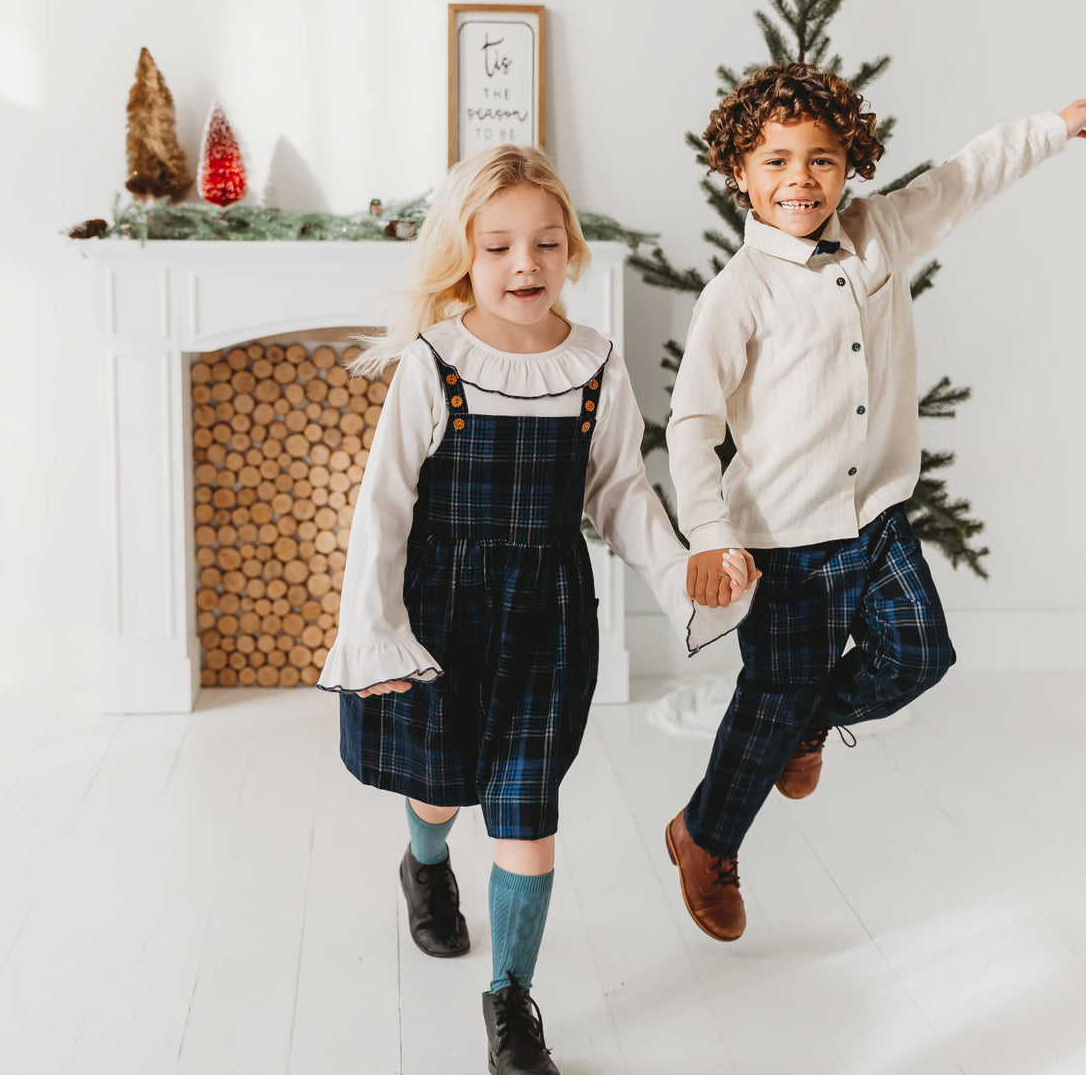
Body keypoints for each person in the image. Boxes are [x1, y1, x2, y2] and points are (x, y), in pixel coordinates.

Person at [317, 145, 759, 1074]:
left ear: (571, 254)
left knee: (525, 808)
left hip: (549, 619)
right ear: (463, 256)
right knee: (439, 789)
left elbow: (621, 495)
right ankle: (426, 866)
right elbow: (384, 507)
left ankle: (510, 1000)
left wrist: (683, 575)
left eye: (547, 244)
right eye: (500, 246)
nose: (526, 265)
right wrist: (378, 630)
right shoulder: (434, 363)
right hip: (439, 611)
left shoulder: (594, 364)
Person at [663, 61, 1086, 941]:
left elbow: (963, 177)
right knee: (766, 700)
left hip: (876, 519)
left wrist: (1052, 127)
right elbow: (690, 421)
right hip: (783, 543)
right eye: (777, 161)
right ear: (739, 173)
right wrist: (709, 535)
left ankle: (811, 721)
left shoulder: (878, 235)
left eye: (821, 160)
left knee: (918, 655)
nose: (800, 179)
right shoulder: (737, 295)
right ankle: (704, 839)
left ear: (849, 163)